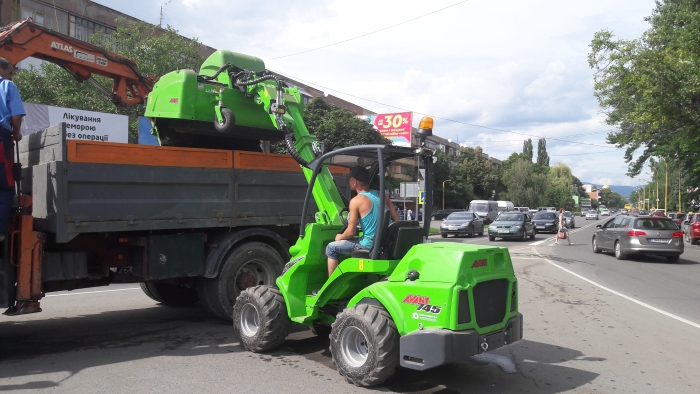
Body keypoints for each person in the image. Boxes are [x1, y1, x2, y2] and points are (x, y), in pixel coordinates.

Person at [325, 166, 399, 277]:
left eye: (349, 179)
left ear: (354, 182)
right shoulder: (383, 197)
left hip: (367, 245)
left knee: (331, 248)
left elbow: (350, 232)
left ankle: (329, 287)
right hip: (384, 244)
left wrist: (339, 237)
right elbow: (397, 222)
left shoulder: (356, 201)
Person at [0, 58, 24, 242]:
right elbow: (16, 116)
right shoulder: (7, 86)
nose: (11, 75)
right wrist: (16, 133)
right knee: (5, 188)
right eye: (10, 71)